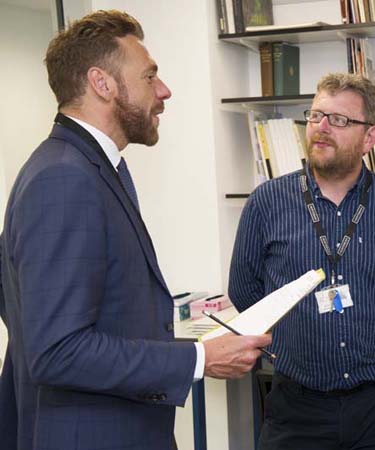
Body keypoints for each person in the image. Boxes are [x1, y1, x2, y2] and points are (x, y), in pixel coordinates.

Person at [0, 10, 271, 450]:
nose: (164, 91)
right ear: (102, 84)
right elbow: (55, 351)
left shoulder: (85, 168)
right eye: (149, 77)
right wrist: (199, 357)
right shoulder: (64, 177)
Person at [229, 72, 375, 450]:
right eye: (316, 116)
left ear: (369, 137)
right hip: (296, 406)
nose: (322, 128)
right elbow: (246, 292)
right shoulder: (266, 202)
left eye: (339, 120)